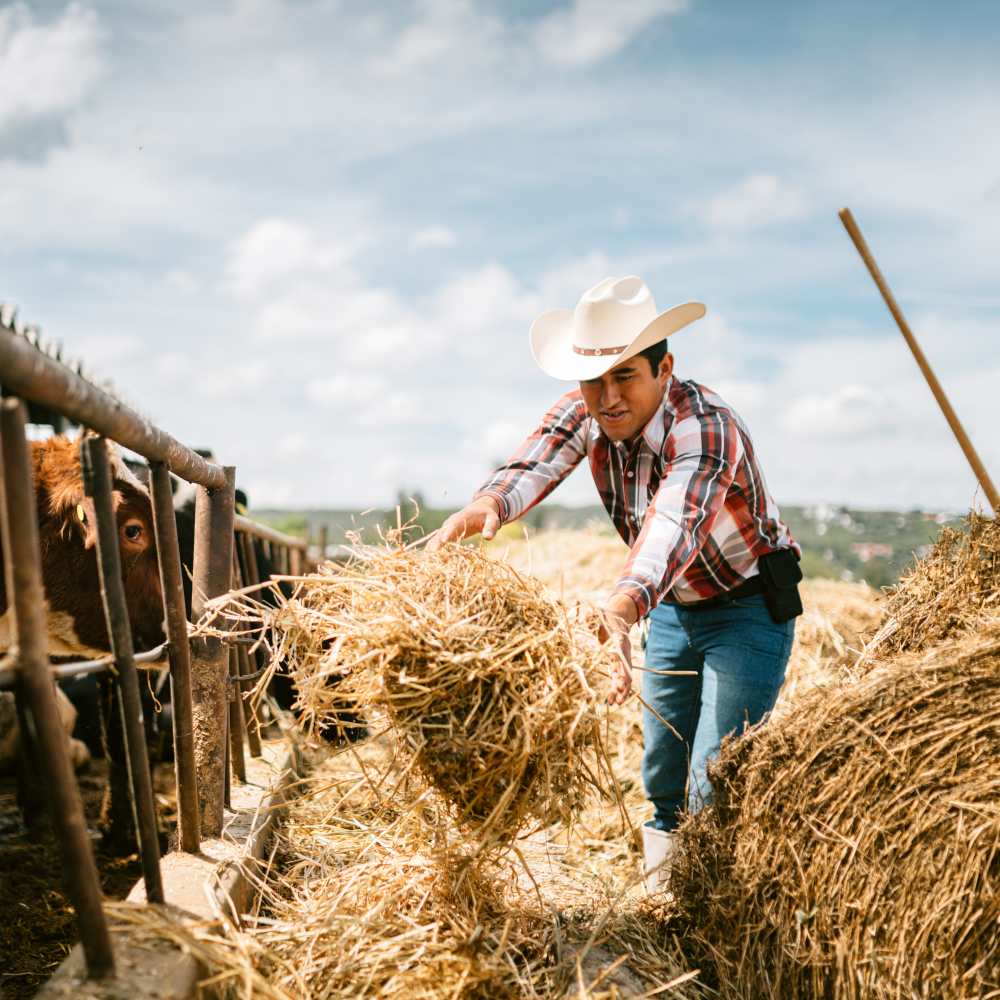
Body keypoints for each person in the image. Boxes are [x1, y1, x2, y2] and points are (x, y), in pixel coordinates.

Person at [429, 276, 801, 892]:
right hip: (672, 606)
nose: (607, 397)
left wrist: (623, 606)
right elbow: (538, 458)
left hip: (747, 607)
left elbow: (673, 524)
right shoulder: (589, 410)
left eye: (624, 376)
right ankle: (666, 902)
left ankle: (713, 913)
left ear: (664, 369)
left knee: (715, 779)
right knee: (662, 772)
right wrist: (490, 502)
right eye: (593, 380)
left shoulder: (706, 427)